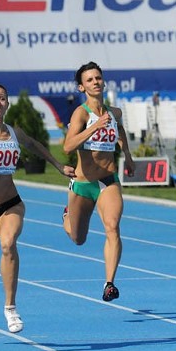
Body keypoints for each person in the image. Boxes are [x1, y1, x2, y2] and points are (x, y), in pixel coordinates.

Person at [0, 82, 75, 333]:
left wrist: (58, 166)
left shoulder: (15, 132)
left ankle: (10, 308)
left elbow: (34, 145)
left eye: (2, 98)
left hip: (9, 204)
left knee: (8, 243)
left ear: (7, 104)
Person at [62, 61, 135, 302]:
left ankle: (109, 283)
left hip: (108, 181)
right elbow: (67, 147)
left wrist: (127, 156)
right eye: (89, 80)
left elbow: (120, 131)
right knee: (78, 238)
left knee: (112, 227)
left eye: (98, 78)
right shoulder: (81, 113)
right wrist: (93, 128)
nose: (95, 82)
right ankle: (67, 218)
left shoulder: (114, 113)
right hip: (83, 185)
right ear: (82, 87)